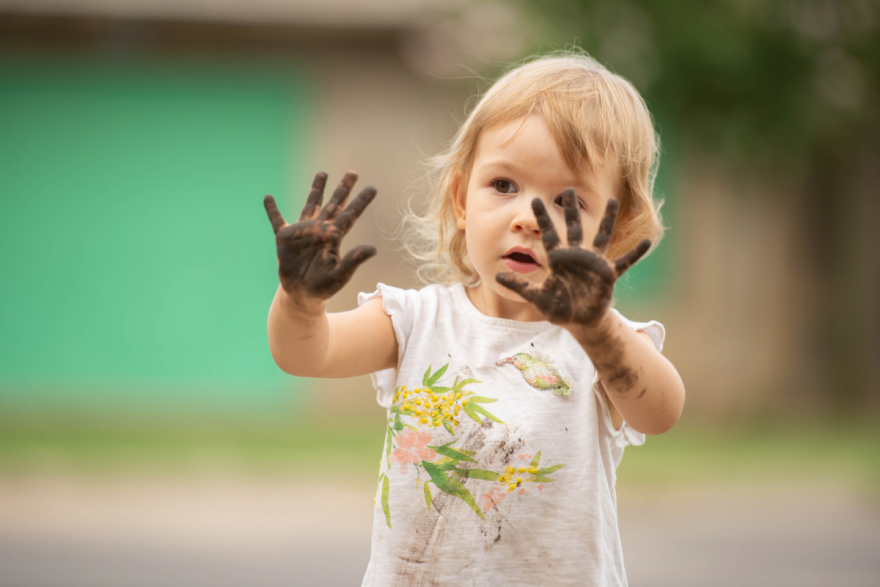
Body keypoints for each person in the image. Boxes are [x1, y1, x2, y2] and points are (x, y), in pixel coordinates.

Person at [264, 52, 685, 587]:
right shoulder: (415, 320)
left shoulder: (603, 341)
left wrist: (597, 329)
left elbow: (661, 413)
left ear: (615, 229)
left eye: (566, 201)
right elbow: (305, 352)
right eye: (504, 186)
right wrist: (299, 300)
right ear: (463, 200)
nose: (527, 219)